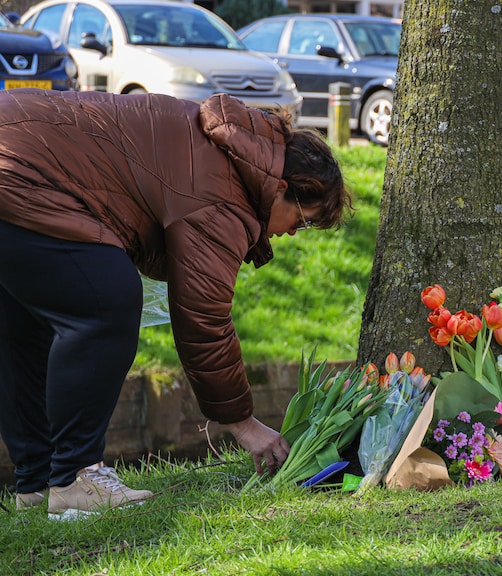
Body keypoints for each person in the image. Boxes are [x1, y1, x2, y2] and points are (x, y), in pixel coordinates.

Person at [0, 89, 353, 519]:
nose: (295, 232)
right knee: (106, 301)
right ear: (281, 188)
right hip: (22, 172)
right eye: (304, 219)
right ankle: (76, 476)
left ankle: (36, 483)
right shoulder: (225, 193)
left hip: (16, 152)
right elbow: (203, 317)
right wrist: (242, 423)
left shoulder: (222, 146)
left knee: (22, 322)